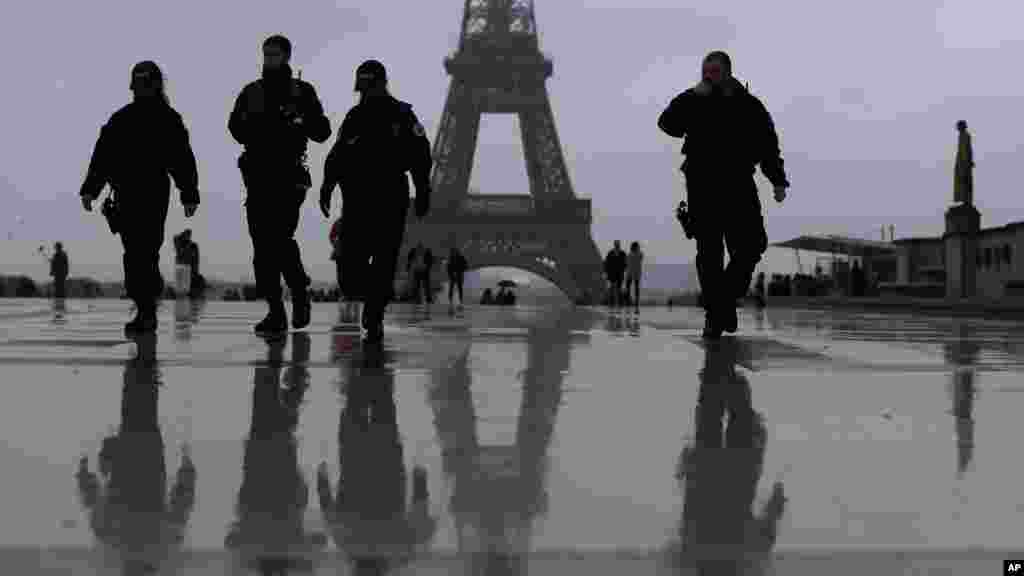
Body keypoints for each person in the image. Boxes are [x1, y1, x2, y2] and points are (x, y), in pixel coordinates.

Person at [658, 50, 789, 339]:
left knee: (752, 246)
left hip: (738, 183)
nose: (708, 77)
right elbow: (667, 124)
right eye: (705, 71)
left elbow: (768, 146)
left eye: (714, 71)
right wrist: (692, 94)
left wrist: (777, 180)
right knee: (710, 255)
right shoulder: (695, 101)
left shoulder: (750, 106)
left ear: (728, 72)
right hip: (703, 185)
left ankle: (721, 305)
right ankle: (716, 315)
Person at [80, 60, 200, 333]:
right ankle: (145, 304)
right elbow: (103, 157)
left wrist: (189, 193)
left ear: (154, 85)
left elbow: (181, 159)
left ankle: (146, 309)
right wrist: (90, 188)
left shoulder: (168, 119)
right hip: (126, 194)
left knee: (146, 251)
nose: (142, 88)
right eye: (139, 83)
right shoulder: (121, 119)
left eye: (146, 83)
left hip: (153, 193)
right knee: (135, 254)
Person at [319, 59, 432, 342]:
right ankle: (375, 297)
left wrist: (423, 190)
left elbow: (420, 154)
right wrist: (327, 184)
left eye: (368, 86)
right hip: (357, 198)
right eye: (362, 87)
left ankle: (375, 311)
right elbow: (338, 152)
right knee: (348, 269)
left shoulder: (403, 114)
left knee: (384, 260)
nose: (364, 92)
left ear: (382, 84)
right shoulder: (354, 116)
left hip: (389, 197)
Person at [229, 34, 331, 334]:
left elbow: (322, 131)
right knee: (263, 246)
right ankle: (277, 310)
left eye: (275, 54)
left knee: (279, 236)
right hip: (259, 177)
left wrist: (299, 120)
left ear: (287, 56)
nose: (270, 59)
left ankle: (298, 291)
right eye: (266, 53)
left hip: (288, 176)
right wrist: (257, 127)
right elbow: (235, 127)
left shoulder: (301, 91)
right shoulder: (252, 92)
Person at [603, 241, 627, 309]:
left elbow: (626, 263)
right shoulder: (610, 253)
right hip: (612, 274)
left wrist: (624, 270)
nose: (617, 246)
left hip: (619, 274)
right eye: (616, 245)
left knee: (618, 289)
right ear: (615, 245)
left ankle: (619, 304)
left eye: (618, 245)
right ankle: (611, 304)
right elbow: (606, 263)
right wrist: (606, 273)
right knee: (612, 289)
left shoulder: (622, 253)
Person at [624, 241, 643, 312]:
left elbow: (627, 263)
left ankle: (628, 304)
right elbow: (640, 258)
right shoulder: (639, 254)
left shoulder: (629, 255)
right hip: (636, 274)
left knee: (628, 290)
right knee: (636, 290)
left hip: (630, 273)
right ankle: (636, 305)